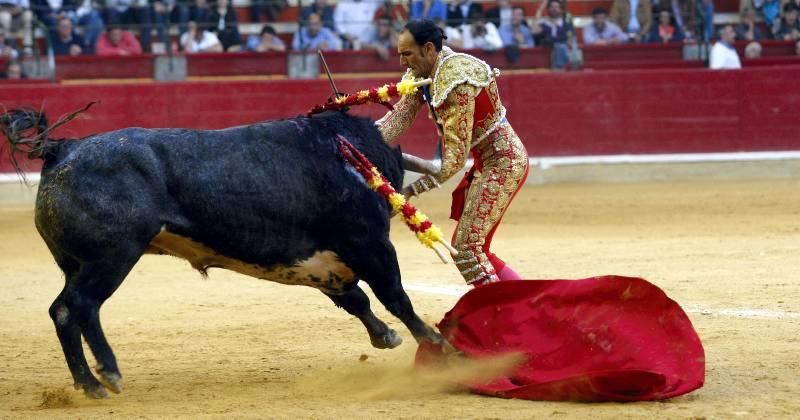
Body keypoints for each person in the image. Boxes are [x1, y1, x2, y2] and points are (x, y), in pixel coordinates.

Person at [376, 19, 529, 286]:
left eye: (406, 54)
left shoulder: (457, 81)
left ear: (429, 49)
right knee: (476, 248)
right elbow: (399, 118)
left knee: (467, 249)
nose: (402, 62)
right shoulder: (425, 70)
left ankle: (502, 316)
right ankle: (523, 305)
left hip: (504, 162)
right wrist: (365, 140)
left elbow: (454, 160)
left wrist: (409, 192)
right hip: (486, 162)